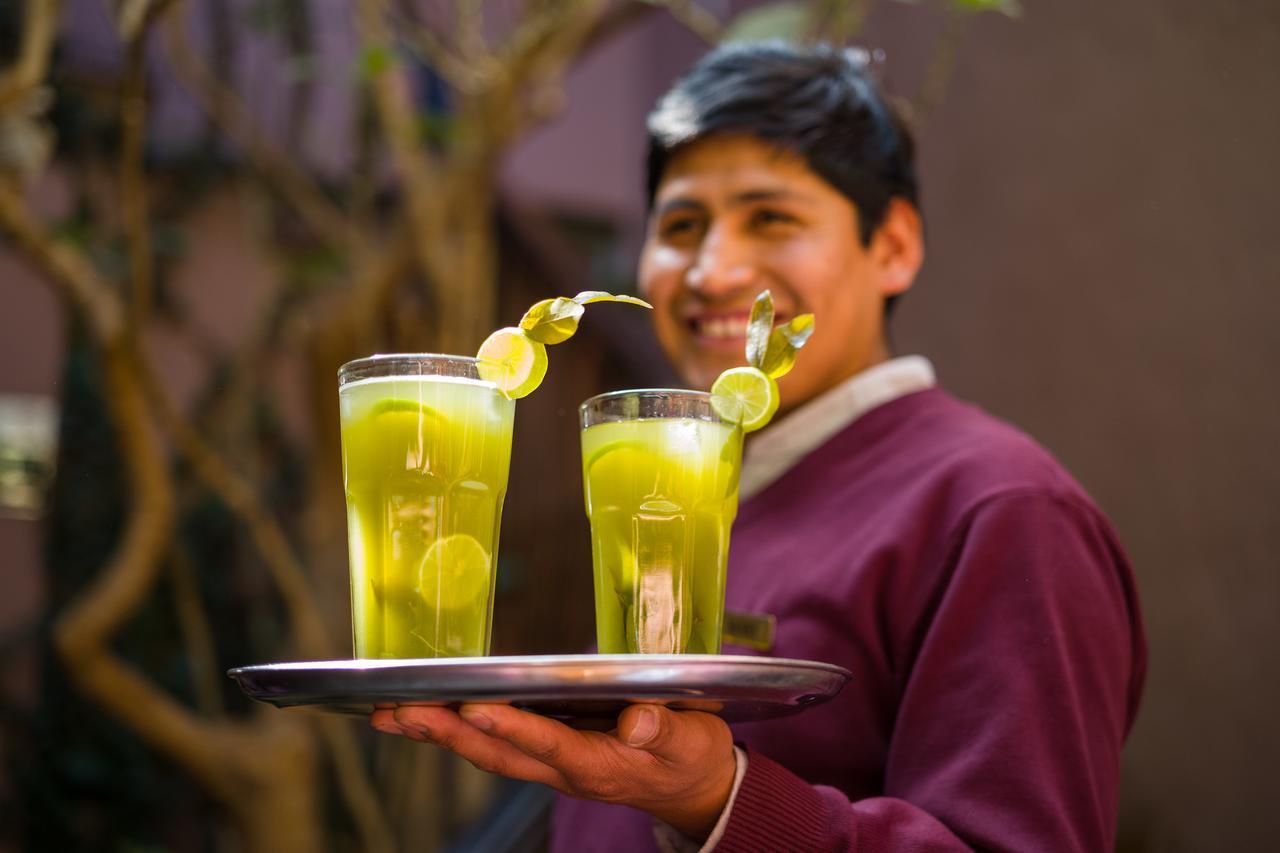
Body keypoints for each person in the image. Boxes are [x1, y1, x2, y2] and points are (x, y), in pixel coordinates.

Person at [372, 41, 1146, 852]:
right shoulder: (662, 493)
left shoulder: (1001, 507)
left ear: (894, 247)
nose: (712, 270)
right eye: (681, 225)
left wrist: (720, 800)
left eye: (770, 217)